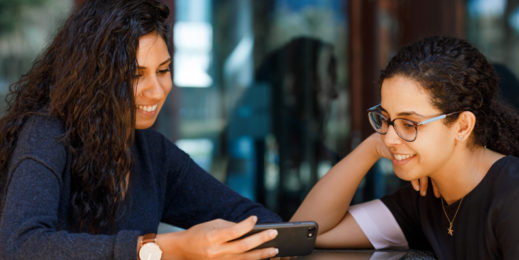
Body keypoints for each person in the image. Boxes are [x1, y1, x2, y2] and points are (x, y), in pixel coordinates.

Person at [0, 0, 282, 259]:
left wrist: (277, 240)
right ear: (94, 79)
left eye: (163, 70)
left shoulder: (153, 154)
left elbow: (252, 218)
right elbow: (20, 246)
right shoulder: (46, 134)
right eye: (135, 75)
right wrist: (163, 249)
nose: (157, 91)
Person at [291, 36, 519, 259]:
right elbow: (306, 233)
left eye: (409, 124)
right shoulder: (424, 199)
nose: (389, 138)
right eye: (386, 119)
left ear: (463, 126)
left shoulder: (511, 195)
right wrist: (372, 147)